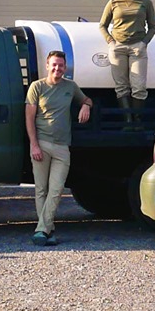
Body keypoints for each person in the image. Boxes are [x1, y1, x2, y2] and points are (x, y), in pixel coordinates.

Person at [25, 50, 94, 247]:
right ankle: (48, 229)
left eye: (61, 65)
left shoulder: (70, 87)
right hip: (42, 144)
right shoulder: (37, 87)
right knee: (41, 189)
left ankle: (41, 230)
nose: (57, 68)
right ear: (47, 66)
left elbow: (87, 99)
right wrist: (34, 145)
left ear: (65, 67)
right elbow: (29, 117)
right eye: (54, 65)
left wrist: (86, 106)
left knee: (56, 190)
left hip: (63, 146)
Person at [99, 0, 155, 107]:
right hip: (118, 46)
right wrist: (111, 42)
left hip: (138, 46)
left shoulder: (145, 3)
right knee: (121, 86)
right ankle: (127, 123)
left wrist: (144, 43)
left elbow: (153, 27)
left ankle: (137, 123)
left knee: (139, 87)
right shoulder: (113, 2)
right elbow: (102, 25)